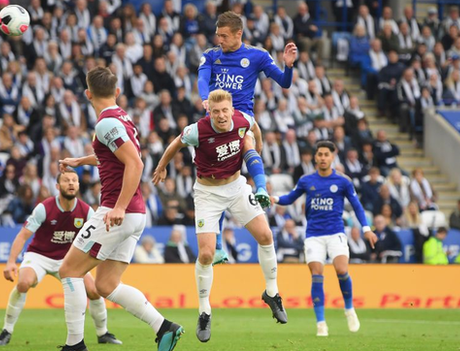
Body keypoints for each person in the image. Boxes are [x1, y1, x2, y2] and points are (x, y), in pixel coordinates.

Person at [56, 67, 183, 351]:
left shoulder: (105, 123)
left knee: (69, 271)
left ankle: (74, 345)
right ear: (117, 92)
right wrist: (80, 160)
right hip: (133, 214)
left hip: (118, 211)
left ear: (87, 94)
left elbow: (134, 163)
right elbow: (111, 156)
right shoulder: (121, 117)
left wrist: (119, 207)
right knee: (106, 284)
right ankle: (164, 327)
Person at [153, 89, 287, 343]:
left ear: (232, 109)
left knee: (266, 235)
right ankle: (204, 311)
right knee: (206, 254)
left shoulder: (242, 120)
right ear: (209, 112)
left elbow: (255, 128)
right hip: (207, 193)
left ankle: (272, 293)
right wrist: (162, 166)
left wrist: (256, 149)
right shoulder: (197, 130)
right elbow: (175, 144)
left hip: (236, 187)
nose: (222, 116)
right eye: (216, 112)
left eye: (225, 110)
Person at [197, 11, 297, 263]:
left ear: (238, 34)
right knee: (214, 176)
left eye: (224, 36)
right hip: (216, 119)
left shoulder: (258, 56)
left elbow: (284, 83)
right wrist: (205, 99)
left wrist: (288, 65)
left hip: (242, 114)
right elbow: (202, 78)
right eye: (217, 35)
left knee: (247, 139)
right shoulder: (211, 55)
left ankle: (261, 188)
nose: (219, 40)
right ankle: (218, 246)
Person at [0, 169, 121, 347]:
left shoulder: (86, 211)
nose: (71, 183)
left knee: (93, 290)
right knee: (23, 283)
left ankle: (103, 333)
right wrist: (10, 262)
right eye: (66, 180)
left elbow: (97, 238)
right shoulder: (44, 208)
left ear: (78, 185)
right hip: (40, 255)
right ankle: (6, 330)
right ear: (57, 186)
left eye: (74, 180)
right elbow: (23, 235)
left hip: (69, 260)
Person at [270, 141, 378, 337]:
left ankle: (349, 309)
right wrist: (275, 199)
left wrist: (367, 229)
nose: (322, 158)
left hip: (336, 233)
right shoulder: (306, 180)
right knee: (317, 274)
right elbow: (290, 198)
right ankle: (321, 323)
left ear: (332, 157)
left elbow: (357, 206)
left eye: (326, 154)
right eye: (319, 154)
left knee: (342, 270)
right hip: (314, 236)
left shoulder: (343, 181)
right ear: (315, 157)